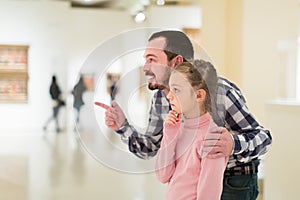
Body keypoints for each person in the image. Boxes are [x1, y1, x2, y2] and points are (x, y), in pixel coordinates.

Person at [95, 30, 272, 199]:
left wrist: (233, 144)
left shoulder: (220, 91)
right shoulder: (161, 98)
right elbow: (150, 147)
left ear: (175, 62)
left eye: (152, 59)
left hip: (234, 181)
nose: (145, 68)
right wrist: (122, 126)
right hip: (190, 182)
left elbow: (263, 138)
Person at [155, 60, 228, 200]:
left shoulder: (212, 139)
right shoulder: (178, 128)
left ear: (199, 96)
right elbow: (163, 175)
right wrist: (169, 135)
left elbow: (209, 196)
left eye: (176, 90)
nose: (169, 95)